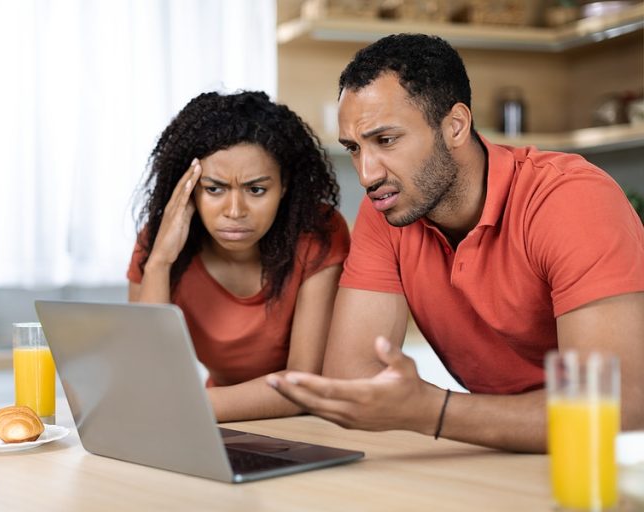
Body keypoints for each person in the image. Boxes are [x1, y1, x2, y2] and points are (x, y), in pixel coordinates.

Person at [267, 34, 644, 453]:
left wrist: (432, 410)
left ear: (455, 126)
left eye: (386, 140)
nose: (367, 174)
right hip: (509, 453)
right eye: (354, 148)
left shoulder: (568, 199)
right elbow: (353, 378)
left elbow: (618, 409)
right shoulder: (388, 211)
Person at [127, 90, 350, 422]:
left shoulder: (318, 232)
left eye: (256, 190)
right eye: (214, 189)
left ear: (285, 185)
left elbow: (305, 382)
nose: (235, 211)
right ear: (188, 190)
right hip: (217, 419)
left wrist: (184, 407)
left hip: (308, 423)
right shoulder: (159, 243)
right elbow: (148, 375)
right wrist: (159, 262)